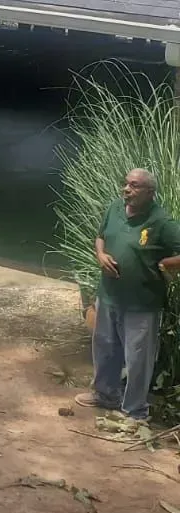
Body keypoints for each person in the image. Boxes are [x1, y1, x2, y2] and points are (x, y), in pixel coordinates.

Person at [75, 168, 180, 421]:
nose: (127, 190)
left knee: (137, 359)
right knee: (105, 348)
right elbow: (100, 237)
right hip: (109, 295)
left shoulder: (161, 222)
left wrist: (168, 263)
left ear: (150, 192)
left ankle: (135, 411)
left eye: (134, 186)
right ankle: (105, 395)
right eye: (126, 184)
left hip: (141, 303)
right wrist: (100, 255)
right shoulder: (115, 208)